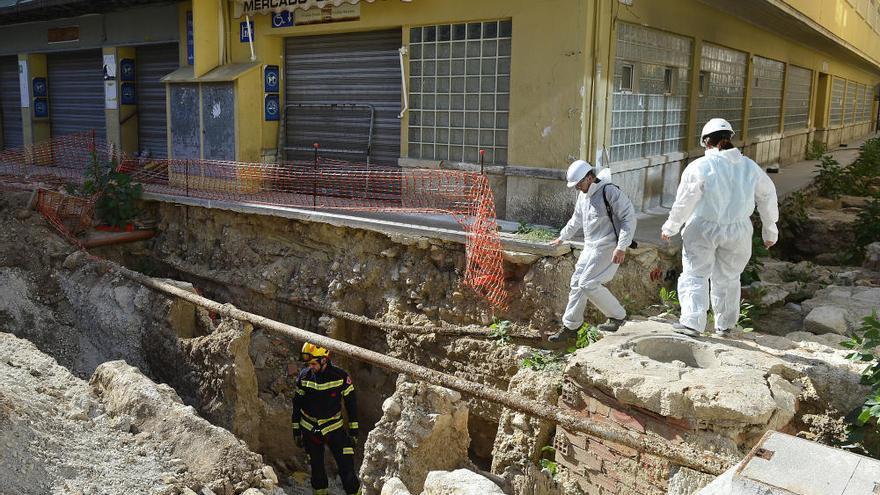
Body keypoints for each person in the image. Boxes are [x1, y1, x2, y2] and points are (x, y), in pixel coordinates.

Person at [660, 118, 779, 337]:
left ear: (706, 142)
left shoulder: (700, 166)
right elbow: (768, 196)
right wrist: (770, 230)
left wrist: (671, 226)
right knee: (729, 278)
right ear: (729, 138)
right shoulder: (750, 167)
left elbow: (685, 200)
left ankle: (692, 323)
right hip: (739, 231)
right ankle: (725, 326)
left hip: (703, 228)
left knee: (695, 274)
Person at [548, 159, 637, 342]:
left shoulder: (609, 191)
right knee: (576, 283)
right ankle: (571, 326)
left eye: (579, 183)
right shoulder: (583, 195)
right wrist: (562, 237)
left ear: (589, 177)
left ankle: (618, 316)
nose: (577, 187)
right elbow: (576, 219)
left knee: (588, 283)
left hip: (608, 246)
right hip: (590, 246)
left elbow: (629, 218)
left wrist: (621, 247)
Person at [292, 342, 361, 495]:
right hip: (310, 430)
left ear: (324, 359)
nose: (310, 366)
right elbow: (296, 405)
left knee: (348, 471)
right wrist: (296, 430)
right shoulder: (304, 377)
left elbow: (352, 405)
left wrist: (354, 432)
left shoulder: (341, 377)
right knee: (317, 472)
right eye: (309, 364)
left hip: (335, 430)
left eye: (313, 363)